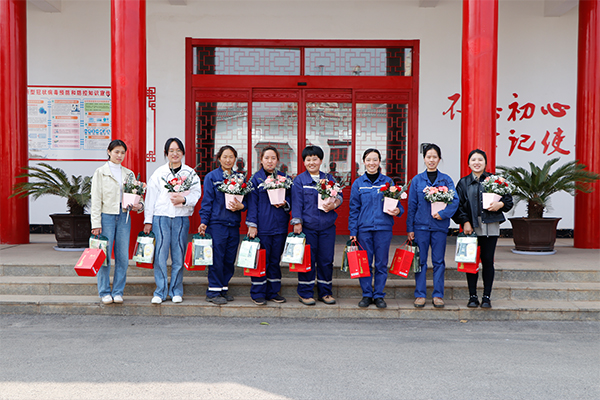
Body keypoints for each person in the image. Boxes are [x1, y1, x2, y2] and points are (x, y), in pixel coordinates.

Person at [453, 149, 513, 309]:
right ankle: (472, 296)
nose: (477, 162)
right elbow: (457, 206)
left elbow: (508, 201)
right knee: (471, 262)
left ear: (485, 163)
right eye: (473, 160)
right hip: (471, 227)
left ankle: (486, 297)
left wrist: (500, 204)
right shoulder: (463, 183)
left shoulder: (495, 180)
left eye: (480, 159)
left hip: (490, 226)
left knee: (487, 261)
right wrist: (464, 221)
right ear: (468, 163)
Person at [144, 138, 201, 305]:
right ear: (166, 154)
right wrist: (148, 220)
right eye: (171, 151)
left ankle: (176, 290)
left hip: (181, 218)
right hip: (161, 217)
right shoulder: (159, 173)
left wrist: (184, 200)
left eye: (178, 150)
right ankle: (160, 291)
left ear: (182, 153)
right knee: (160, 255)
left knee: (178, 254)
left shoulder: (190, 173)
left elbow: (196, 194)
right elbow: (150, 198)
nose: (174, 154)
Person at [348, 148, 404, 309]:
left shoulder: (388, 183)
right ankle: (366, 294)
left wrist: (398, 211)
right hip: (363, 229)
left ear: (379, 162)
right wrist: (353, 231)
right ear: (364, 162)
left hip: (383, 229)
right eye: (368, 160)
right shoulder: (358, 184)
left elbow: (398, 206)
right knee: (364, 263)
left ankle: (378, 294)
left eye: (375, 160)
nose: (372, 163)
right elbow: (354, 209)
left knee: (381, 263)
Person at [406, 143, 458, 308]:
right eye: (428, 157)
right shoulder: (417, 180)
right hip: (420, 227)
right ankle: (420, 294)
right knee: (420, 261)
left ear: (439, 159)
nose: (431, 160)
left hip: (439, 227)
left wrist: (443, 214)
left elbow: (454, 201)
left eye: (435, 157)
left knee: (438, 261)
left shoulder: (446, 179)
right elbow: (412, 206)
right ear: (424, 159)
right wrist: (410, 228)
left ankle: (438, 295)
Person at [91, 140, 142, 305]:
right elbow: (96, 200)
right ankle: (104, 291)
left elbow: (137, 197)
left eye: (122, 152)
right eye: (116, 152)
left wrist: (139, 206)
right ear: (109, 151)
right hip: (106, 216)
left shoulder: (129, 174)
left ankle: (118, 291)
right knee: (103, 256)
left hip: (124, 216)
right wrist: (96, 224)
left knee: (122, 256)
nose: (119, 155)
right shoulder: (100, 172)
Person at [291, 145, 342, 306]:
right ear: (304, 162)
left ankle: (325, 292)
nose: (311, 162)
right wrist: (297, 222)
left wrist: (335, 204)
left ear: (321, 160)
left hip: (327, 227)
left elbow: (338, 195)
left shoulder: (328, 179)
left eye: (315, 159)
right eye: (308, 159)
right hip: (308, 227)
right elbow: (297, 203)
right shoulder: (300, 180)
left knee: (326, 260)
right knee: (307, 260)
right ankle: (305, 293)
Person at [198, 145, 247, 305]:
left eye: (231, 157)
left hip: (233, 224)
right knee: (217, 258)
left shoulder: (240, 178)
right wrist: (204, 221)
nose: (228, 160)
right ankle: (213, 291)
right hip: (217, 224)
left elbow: (246, 201)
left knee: (229, 258)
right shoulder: (212, 177)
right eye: (224, 156)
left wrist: (243, 207)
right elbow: (207, 202)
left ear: (235, 159)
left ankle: (223, 289)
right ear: (219, 158)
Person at [246, 146, 290, 305]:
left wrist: (286, 203)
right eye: (267, 158)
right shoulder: (255, 179)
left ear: (277, 160)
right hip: (262, 227)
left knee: (274, 260)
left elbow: (292, 199)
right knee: (260, 260)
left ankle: (273, 291)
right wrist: (252, 224)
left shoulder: (284, 178)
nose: (270, 161)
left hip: (279, 226)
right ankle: (258, 292)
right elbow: (252, 204)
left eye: (273, 158)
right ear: (261, 160)